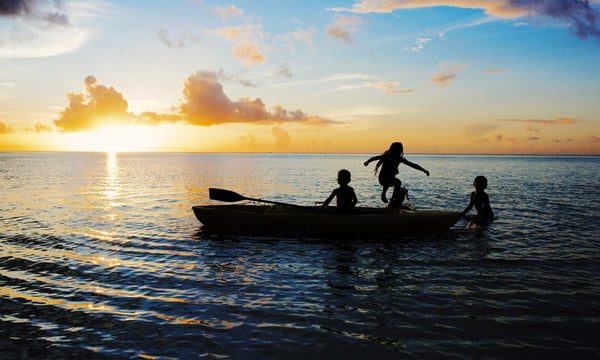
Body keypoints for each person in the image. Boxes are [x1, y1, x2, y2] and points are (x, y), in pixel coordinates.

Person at [364, 142, 429, 207]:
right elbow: (375, 158)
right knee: (397, 182)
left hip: (388, 179)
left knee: (394, 179)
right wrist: (367, 162)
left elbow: (412, 165)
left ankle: (388, 196)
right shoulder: (387, 156)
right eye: (399, 150)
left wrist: (424, 170)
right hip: (383, 179)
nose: (399, 151)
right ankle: (389, 196)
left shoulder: (398, 158)